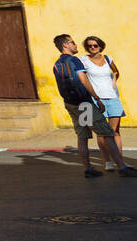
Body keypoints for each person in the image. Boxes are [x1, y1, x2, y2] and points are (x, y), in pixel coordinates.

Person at [53, 34, 135, 177]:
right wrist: (97, 98)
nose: (75, 45)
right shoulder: (76, 61)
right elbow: (84, 81)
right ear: (65, 45)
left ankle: (88, 169)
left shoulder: (58, 63)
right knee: (107, 132)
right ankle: (122, 167)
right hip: (84, 104)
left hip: (70, 103)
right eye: (72, 43)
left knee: (83, 136)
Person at [81, 36, 126, 171]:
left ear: (100, 46)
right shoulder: (83, 60)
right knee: (102, 133)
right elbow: (81, 77)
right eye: (90, 46)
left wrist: (113, 81)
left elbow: (116, 71)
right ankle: (108, 161)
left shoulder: (107, 59)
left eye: (95, 45)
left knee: (115, 132)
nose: (93, 48)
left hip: (112, 97)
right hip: (96, 99)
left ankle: (121, 162)